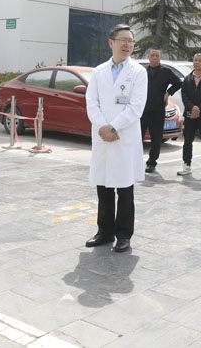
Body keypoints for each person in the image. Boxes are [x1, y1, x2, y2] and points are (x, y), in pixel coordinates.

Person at [85, 24, 147, 253]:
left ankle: (123, 235)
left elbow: (136, 106)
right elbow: (91, 102)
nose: (127, 45)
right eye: (123, 40)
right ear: (111, 42)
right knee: (103, 186)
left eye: (131, 41)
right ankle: (104, 231)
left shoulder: (138, 72)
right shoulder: (99, 71)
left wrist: (113, 127)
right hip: (103, 135)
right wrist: (102, 126)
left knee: (124, 187)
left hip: (124, 135)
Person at [141, 47, 182, 173]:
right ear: (148, 56)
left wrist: (168, 93)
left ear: (160, 57)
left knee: (156, 138)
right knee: (138, 137)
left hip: (157, 109)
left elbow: (178, 83)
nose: (154, 57)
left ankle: (152, 162)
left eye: (157, 56)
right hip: (142, 109)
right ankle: (135, 161)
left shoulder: (166, 71)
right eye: (152, 55)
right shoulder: (142, 71)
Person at [177, 53, 201, 178]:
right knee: (187, 140)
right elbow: (184, 96)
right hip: (189, 114)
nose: (197, 62)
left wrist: (198, 108)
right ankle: (186, 165)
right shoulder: (187, 79)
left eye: (200, 60)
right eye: (195, 60)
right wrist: (192, 107)